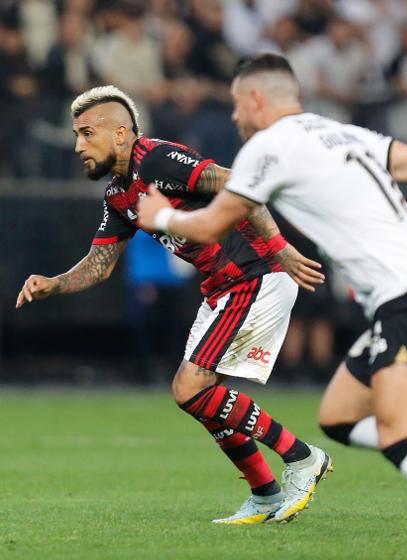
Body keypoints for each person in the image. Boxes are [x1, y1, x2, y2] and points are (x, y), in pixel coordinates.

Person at [136, 53, 407, 525]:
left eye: (238, 105)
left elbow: (212, 222)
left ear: (257, 99)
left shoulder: (269, 147)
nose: (236, 117)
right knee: (340, 418)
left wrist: (160, 216)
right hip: (406, 299)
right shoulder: (340, 131)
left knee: (399, 432)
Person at [16, 84, 332, 525]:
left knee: (190, 388)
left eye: (87, 133)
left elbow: (238, 184)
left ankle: (302, 457)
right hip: (221, 289)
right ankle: (264, 494)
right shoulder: (118, 195)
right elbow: (99, 264)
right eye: (77, 135)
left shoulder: (158, 160)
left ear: (121, 133)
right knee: (196, 397)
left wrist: (278, 247)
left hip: (255, 276)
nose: (77, 145)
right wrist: (55, 283)